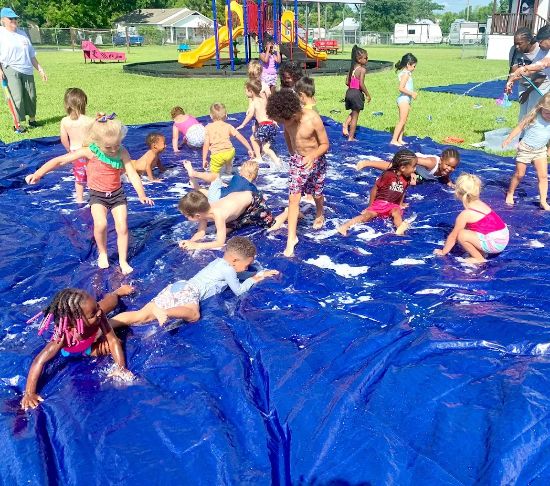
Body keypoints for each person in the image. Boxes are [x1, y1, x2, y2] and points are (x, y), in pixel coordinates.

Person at [25, 114, 154, 274]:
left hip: (117, 194)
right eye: (109, 147)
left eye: (117, 145)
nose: (114, 149)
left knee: (123, 227)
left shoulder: (122, 152)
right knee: (101, 225)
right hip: (97, 195)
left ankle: (122, 260)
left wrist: (141, 194)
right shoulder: (89, 152)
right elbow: (60, 160)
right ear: (97, 142)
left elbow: (132, 174)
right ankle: (103, 253)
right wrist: (38, 173)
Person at [110, 237, 279, 327]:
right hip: (190, 292)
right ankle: (167, 312)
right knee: (194, 314)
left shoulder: (220, 263)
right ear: (234, 260)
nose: (248, 268)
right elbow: (239, 290)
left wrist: (260, 273)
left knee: (140, 316)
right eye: (247, 265)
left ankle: (107, 325)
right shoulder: (228, 269)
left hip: (178, 286)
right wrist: (256, 279)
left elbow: (238, 276)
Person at [21, 285, 135, 410]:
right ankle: (93, 345)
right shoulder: (62, 337)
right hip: (75, 350)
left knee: (112, 302)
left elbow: (113, 340)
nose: (99, 312)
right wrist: (29, 393)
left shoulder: (99, 314)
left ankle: (116, 292)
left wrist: (121, 368)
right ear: (73, 323)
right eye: (93, 313)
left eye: (97, 307)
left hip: (91, 336)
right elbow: (39, 361)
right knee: (102, 349)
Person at [266, 89, 330, 257]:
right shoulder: (287, 121)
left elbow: (325, 144)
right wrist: (291, 154)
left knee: (317, 193)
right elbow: (288, 135)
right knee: (293, 199)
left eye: (286, 120)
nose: (285, 123)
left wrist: (312, 155)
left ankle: (319, 213)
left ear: (294, 111)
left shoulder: (313, 119)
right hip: (298, 162)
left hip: (316, 160)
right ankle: (291, 238)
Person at [338, 149, 417, 236]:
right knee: (367, 216)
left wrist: (400, 204)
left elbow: (403, 190)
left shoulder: (407, 178)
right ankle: (345, 226)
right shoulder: (388, 175)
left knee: (396, 212)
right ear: (403, 168)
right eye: (414, 166)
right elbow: (374, 189)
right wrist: (370, 206)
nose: (415, 169)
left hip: (393, 205)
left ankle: (400, 231)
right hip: (380, 203)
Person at [434, 173, 509, 263]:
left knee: (461, 235)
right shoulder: (480, 204)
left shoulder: (465, 214)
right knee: (467, 229)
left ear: (457, 193)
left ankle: (479, 258)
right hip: (502, 236)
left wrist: (443, 252)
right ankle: (482, 249)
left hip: (495, 243)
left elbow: (453, 236)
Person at [177, 190, 277, 251]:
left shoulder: (218, 215)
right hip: (236, 204)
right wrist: (189, 242)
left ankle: (286, 212)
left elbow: (220, 242)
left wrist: (196, 245)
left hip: (253, 202)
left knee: (271, 227)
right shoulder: (204, 211)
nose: (186, 218)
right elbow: (201, 232)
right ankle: (241, 218)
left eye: (186, 216)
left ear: (197, 215)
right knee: (222, 230)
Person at [0, 7, 47, 133]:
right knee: (17, 97)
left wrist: (40, 69)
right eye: (11, 19)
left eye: (15, 18)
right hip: (10, 68)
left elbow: (31, 55)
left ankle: (32, 120)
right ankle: (17, 125)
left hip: (27, 69)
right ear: (3, 20)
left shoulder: (23, 34)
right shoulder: (1, 34)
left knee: (31, 96)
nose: (14, 20)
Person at [503, 92, 550, 210]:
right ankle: (510, 192)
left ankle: (543, 201)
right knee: (520, 174)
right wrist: (509, 138)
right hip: (525, 149)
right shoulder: (534, 116)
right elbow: (520, 127)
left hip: (540, 151)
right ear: (541, 107)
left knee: (543, 176)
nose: (549, 116)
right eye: (547, 112)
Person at [356, 148, 461, 187]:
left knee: (413, 183)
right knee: (395, 167)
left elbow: (444, 175)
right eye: (447, 165)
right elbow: (412, 159)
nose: (449, 169)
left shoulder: (446, 169)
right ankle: (367, 163)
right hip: (412, 162)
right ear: (441, 160)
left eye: (452, 167)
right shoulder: (430, 163)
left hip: (420, 173)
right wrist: (411, 174)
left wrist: (449, 183)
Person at [59, 87, 94, 203]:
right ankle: (95, 195)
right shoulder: (89, 120)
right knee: (93, 174)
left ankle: (79, 199)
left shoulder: (65, 121)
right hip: (88, 152)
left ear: (67, 105)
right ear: (84, 103)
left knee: (79, 178)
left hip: (75, 152)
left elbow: (63, 139)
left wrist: (69, 150)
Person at [236, 79, 280, 166]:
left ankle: (259, 158)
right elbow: (269, 111)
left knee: (253, 138)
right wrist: (274, 120)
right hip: (271, 125)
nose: (245, 93)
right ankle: (275, 159)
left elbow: (250, 115)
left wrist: (242, 124)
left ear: (251, 91)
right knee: (266, 146)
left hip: (264, 126)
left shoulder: (253, 103)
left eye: (246, 91)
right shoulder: (264, 100)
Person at [203, 102, 255, 175]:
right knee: (228, 167)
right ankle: (229, 172)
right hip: (230, 152)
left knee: (213, 175)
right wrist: (250, 149)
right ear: (226, 115)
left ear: (211, 116)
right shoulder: (228, 126)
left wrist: (204, 159)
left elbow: (206, 145)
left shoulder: (208, 128)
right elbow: (240, 137)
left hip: (217, 155)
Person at [507, 25, 550, 103]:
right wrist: (512, 79)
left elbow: (543, 64)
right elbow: (531, 70)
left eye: (540, 42)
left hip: (542, 86)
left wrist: (522, 69)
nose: (539, 45)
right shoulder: (542, 51)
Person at [507, 28, 543, 122]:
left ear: (529, 41)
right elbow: (514, 70)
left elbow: (542, 76)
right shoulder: (514, 50)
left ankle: (531, 135)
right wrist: (510, 82)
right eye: (515, 43)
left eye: (520, 43)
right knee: (523, 113)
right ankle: (521, 135)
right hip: (524, 84)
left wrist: (527, 93)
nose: (517, 47)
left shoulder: (540, 50)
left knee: (533, 111)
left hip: (540, 85)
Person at [184, 159, 259, 202]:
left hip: (217, 197)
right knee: (215, 192)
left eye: (241, 170)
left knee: (215, 177)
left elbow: (230, 187)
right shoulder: (253, 189)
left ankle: (194, 173)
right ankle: (197, 187)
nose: (240, 172)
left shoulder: (236, 178)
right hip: (223, 204)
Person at [342, 46, 371, 141]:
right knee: (355, 117)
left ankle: (345, 124)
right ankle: (351, 137)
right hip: (356, 93)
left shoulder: (352, 68)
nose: (367, 60)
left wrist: (352, 85)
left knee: (354, 111)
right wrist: (367, 94)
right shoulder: (362, 70)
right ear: (359, 59)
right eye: (366, 58)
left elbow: (347, 82)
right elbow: (361, 84)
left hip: (349, 92)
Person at [390, 53, 418, 146]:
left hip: (406, 100)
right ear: (408, 64)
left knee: (403, 121)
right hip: (403, 100)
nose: (415, 68)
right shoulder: (405, 74)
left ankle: (400, 139)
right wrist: (412, 93)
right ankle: (394, 140)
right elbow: (401, 88)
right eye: (414, 66)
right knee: (402, 121)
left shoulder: (407, 73)